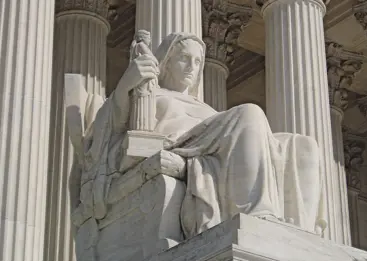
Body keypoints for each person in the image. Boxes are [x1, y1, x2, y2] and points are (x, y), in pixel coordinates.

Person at [79, 32, 325, 239]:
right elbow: (110, 129)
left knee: (303, 145)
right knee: (250, 113)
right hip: (180, 146)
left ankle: (298, 234)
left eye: (197, 62)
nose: (192, 67)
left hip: (214, 147)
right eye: (184, 59)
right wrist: (126, 84)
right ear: (165, 61)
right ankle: (256, 214)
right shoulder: (148, 93)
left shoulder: (206, 108)